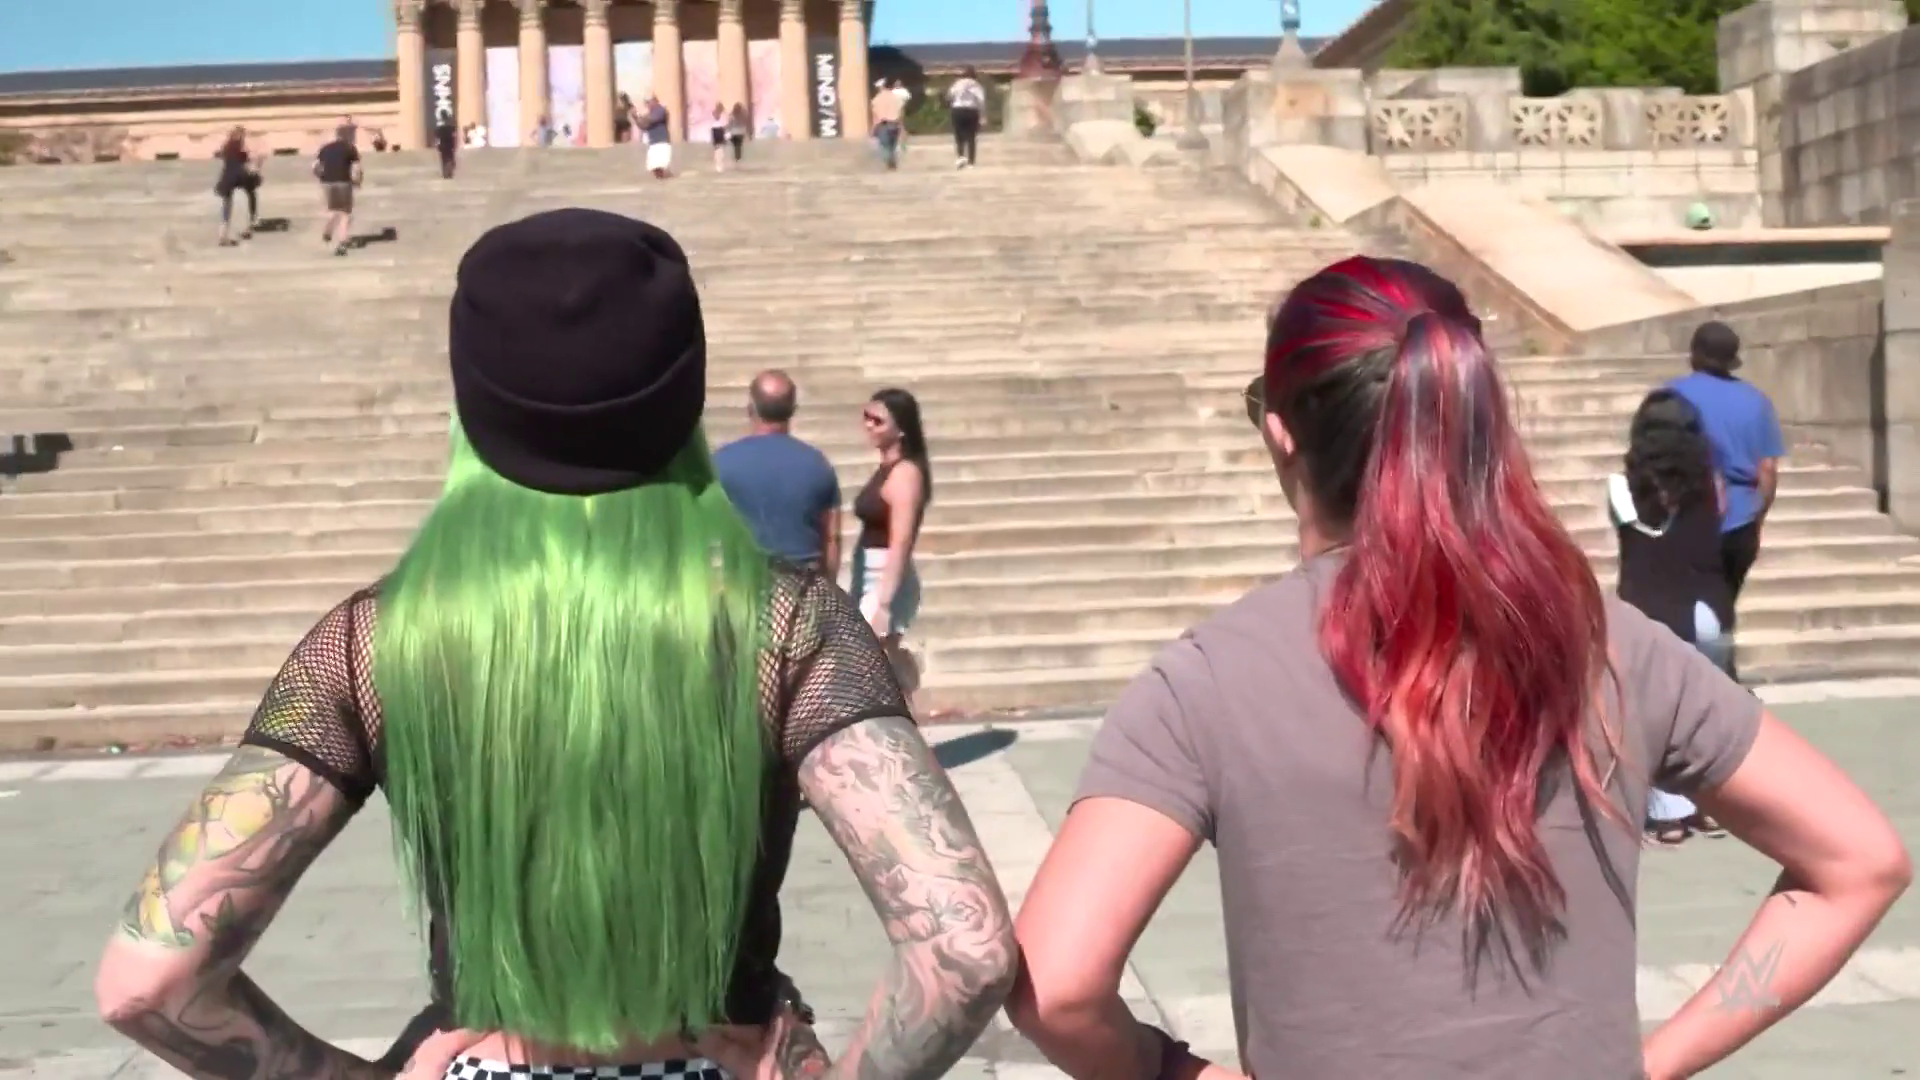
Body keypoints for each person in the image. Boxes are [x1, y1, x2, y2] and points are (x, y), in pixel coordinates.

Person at [93, 209, 1017, 1080]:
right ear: (683, 392)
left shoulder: (374, 641)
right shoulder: (787, 625)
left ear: (472, 395)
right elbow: (964, 954)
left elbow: (148, 981)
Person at [1005, 255, 1910, 1080]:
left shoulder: (1205, 682)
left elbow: (1057, 987)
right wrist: (1653, 1064)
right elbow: (1860, 862)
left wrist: (1173, 1073)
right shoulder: (1613, 645)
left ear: (1281, 434)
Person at [1611, 389, 1736, 845]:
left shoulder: (1620, 486)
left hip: (1651, 612)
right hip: (1709, 608)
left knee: (1657, 717)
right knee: (1710, 713)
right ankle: (1713, 807)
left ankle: (1669, 816)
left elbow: (1632, 532)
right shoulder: (1712, 485)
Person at [1669, 320, 1784, 679]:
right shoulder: (1757, 401)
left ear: (1694, 354)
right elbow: (1767, 469)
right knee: (1724, 603)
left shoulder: (1671, 396)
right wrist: (1757, 517)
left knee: (1690, 604)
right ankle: (1721, 675)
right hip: (1741, 520)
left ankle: (1699, 679)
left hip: (1688, 516)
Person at [714, 371, 843, 575]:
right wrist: (830, 585)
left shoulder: (721, 461)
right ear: (793, 409)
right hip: (804, 583)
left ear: (750, 409)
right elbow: (831, 537)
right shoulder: (818, 463)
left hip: (746, 581)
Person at [849, 389, 930, 704]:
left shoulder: (905, 474)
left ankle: (902, 710)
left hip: (886, 575)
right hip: (869, 573)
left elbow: (901, 541)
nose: (869, 425)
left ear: (901, 429)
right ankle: (903, 700)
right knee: (879, 662)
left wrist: (883, 603)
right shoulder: (885, 468)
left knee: (871, 663)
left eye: (878, 421)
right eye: (866, 417)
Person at [312, 123, 362, 257]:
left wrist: (321, 177)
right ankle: (342, 244)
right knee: (345, 213)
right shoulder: (350, 148)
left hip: (327, 183)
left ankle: (328, 231)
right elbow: (357, 168)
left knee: (333, 210)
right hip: (344, 182)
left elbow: (315, 167)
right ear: (348, 136)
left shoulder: (325, 148)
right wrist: (357, 182)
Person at [213, 126, 260, 247]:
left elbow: (220, 154)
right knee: (249, 195)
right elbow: (246, 160)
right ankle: (247, 226)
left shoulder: (227, 146)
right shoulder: (238, 146)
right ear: (239, 136)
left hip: (227, 179)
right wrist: (254, 170)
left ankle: (223, 235)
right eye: (243, 136)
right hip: (237, 177)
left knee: (227, 206)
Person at [947, 68, 986, 169]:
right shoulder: (976, 85)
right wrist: (982, 115)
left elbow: (950, 96)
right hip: (971, 110)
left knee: (958, 135)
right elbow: (981, 100)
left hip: (957, 109)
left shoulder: (957, 83)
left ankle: (960, 156)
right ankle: (971, 162)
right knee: (971, 136)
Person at [870, 80, 906, 171]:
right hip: (894, 124)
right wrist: (901, 126)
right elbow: (901, 112)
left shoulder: (876, 99)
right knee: (893, 145)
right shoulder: (896, 98)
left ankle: (889, 162)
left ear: (880, 87)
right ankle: (892, 162)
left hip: (883, 125)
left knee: (885, 145)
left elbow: (875, 115)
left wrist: (873, 128)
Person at [643, 95, 674, 179]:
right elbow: (643, 125)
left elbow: (652, 120)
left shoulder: (660, 110)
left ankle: (668, 180)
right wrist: (636, 117)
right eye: (646, 103)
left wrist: (642, 118)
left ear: (654, 101)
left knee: (662, 166)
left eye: (648, 102)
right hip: (653, 143)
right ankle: (662, 181)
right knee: (654, 167)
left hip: (662, 142)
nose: (647, 105)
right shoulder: (650, 113)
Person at [434, 114, 459, 179]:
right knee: (450, 158)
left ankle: (445, 173)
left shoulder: (440, 128)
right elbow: (454, 136)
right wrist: (455, 145)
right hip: (450, 144)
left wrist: (437, 145)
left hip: (443, 145)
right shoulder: (451, 128)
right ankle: (449, 173)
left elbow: (437, 138)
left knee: (444, 159)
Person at [709, 103, 731, 172]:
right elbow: (726, 123)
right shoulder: (723, 114)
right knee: (720, 148)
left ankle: (718, 164)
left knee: (717, 148)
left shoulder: (715, 113)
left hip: (716, 130)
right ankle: (719, 164)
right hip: (719, 130)